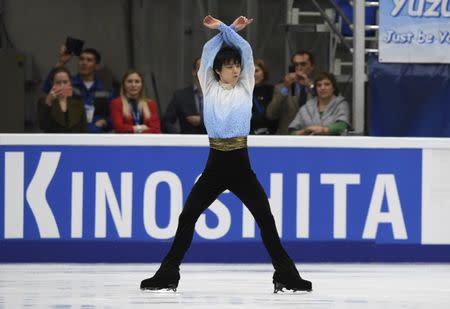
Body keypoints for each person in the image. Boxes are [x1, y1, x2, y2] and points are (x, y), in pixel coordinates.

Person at [140, 15, 312, 293]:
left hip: (241, 165)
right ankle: (167, 274)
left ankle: (286, 275)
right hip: (215, 165)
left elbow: (246, 51)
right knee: (188, 217)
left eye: (236, 66)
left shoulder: (246, 86)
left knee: (265, 219)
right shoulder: (208, 87)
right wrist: (222, 30)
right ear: (217, 70)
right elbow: (208, 54)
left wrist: (228, 29)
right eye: (229, 66)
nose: (235, 69)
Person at [42, 46, 114, 133]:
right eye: (81, 59)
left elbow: (113, 115)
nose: (84, 63)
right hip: (72, 134)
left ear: (97, 66)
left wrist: (105, 122)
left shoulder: (105, 89)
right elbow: (48, 88)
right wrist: (61, 62)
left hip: (96, 136)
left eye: (89, 60)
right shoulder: (68, 84)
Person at [266, 51, 316, 135]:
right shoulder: (282, 87)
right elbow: (271, 114)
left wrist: (309, 85)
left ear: (312, 67)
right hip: (288, 137)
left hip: (313, 136)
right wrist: (285, 88)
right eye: (296, 65)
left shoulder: (319, 86)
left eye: (303, 64)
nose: (299, 68)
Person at [163, 57, 207, 134]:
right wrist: (179, 137)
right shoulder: (180, 95)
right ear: (194, 72)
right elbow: (166, 122)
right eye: (201, 68)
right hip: (188, 143)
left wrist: (202, 121)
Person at [37, 67, 87, 133]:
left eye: (65, 82)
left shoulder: (78, 102)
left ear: (70, 83)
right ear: (52, 84)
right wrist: (48, 102)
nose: (62, 85)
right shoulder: (43, 101)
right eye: (58, 82)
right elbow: (42, 126)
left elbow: (84, 129)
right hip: (53, 142)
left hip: (74, 142)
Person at [250, 59, 278, 135]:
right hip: (249, 134)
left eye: (256, 71)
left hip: (271, 134)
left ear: (264, 73)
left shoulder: (273, 90)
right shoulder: (242, 92)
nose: (253, 74)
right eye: (250, 71)